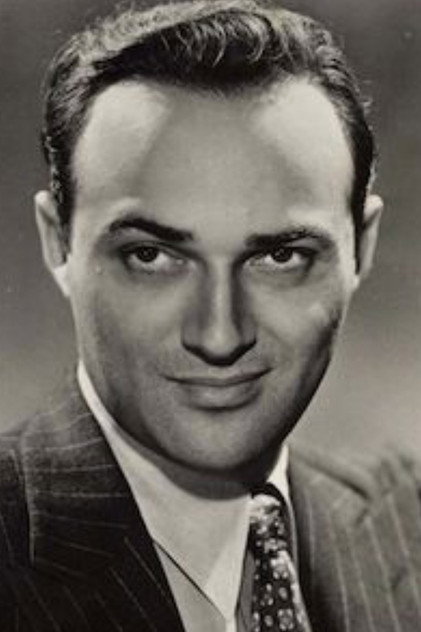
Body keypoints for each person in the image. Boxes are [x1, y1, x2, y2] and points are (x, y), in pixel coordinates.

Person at [0, 1, 420, 630]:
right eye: (150, 256)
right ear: (58, 242)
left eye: (280, 256)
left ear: (361, 245)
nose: (219, 334)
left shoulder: (408, 521)